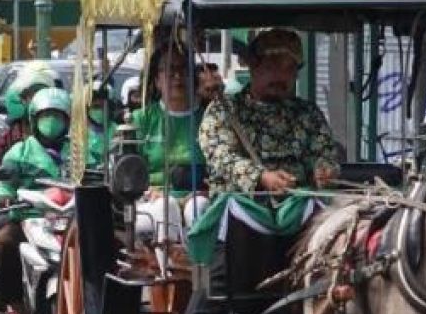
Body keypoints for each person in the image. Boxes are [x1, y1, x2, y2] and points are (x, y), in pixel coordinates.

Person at [199, 28, 339, 194]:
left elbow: (325, 153)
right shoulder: (224, 109)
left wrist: (325, 170)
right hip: (241, 202)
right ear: (253, 67)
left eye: (289, 69)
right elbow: (220, 156)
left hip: (298, 202)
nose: (281, 76)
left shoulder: (308, 114)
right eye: (272, 66)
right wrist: (261, 177)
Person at [0, 87, 71, 314]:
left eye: (57, 115)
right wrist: (3, 196)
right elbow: (4, 183)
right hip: (29, 216)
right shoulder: (20, 151)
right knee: (2, 245)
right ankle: (15, 309)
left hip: (71, 220)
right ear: (34, 120)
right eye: (46, 115)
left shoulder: (80, 151)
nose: (52, 121)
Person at [131, 44, 210, 248]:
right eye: (170, 69)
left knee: (199, 208)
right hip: (152, 201)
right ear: (157, 80)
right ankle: (167, 274)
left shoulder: (210, 119)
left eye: (184, 70)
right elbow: (128, 173)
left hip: (199, 196)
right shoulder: (141, 120)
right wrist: (148, 191)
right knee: (167, 208)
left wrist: (208, 190)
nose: (177, 76)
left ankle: (201, 273)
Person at [0, 64, 56, 169]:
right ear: (24, 99)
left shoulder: (58, 129)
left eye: (41, 93)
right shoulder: (10, 135)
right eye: (32, 95)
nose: (36, 99)